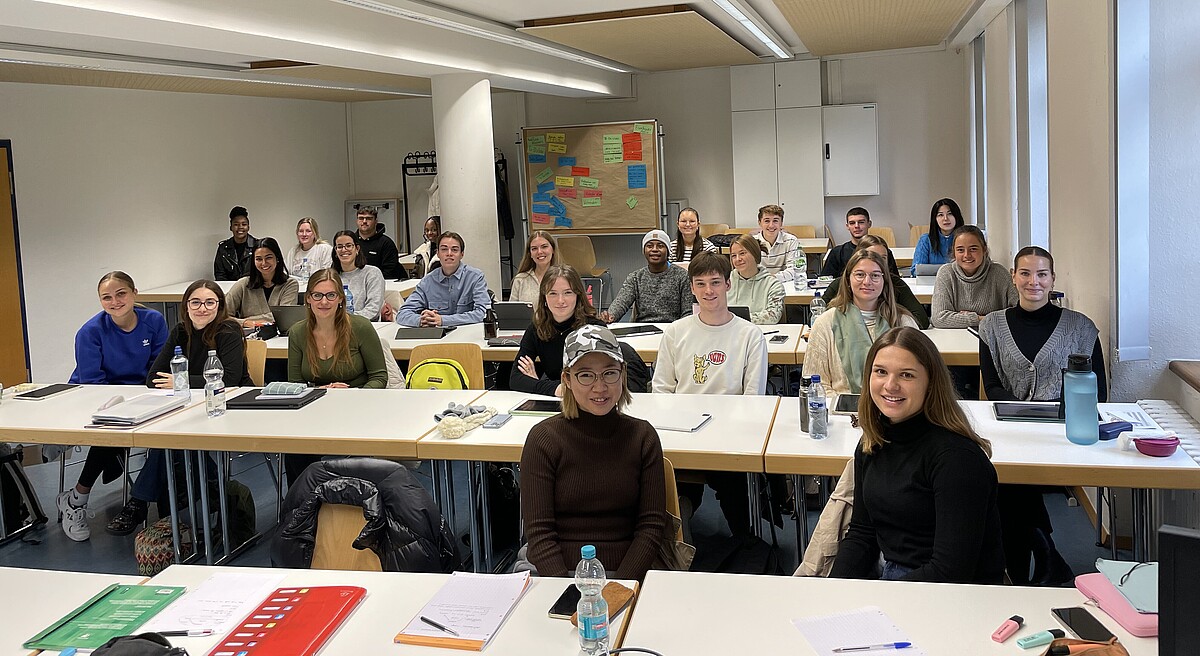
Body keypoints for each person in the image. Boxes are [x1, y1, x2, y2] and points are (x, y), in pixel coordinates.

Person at [830, 327, 1006, 583]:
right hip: (892, 571)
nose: (890, 385)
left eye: (907, 375)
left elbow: (951, 571)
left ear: (930, 383)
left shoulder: (956, 459)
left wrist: (880, 596)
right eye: (881, 372)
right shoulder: (873, 441)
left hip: (945, 590)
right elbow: (862, 532)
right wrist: (835, 588)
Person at [979, 246, 1106, 585]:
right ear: (1013, 277)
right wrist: (1024, 418)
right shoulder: (992, 326)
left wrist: (1055, 417)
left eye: (1041, 274)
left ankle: (1021, 567)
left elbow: (1100, 393)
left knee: (1008, 487)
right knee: (1004, 475)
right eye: (1025, 273)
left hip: (1064, 432)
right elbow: (992, 387)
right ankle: (1044, 554)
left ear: (1052, 279)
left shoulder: (1081, 327)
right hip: (1012, 428)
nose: (1033, 281)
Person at [519, 325, 667, 580]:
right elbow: (540, 534)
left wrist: (619, 588)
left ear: (622, 375)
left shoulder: (643, 437)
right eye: (585, 375)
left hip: (628, 570)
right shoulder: (543, 439)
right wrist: (565, 593)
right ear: (567, 379)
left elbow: (651, 528)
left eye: (609, 373)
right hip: (553, 569)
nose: (600, 387)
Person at [105, 280, 252, 535]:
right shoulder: (180, 331)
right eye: (195, 302)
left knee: (169, 441)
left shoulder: (227, 331)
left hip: (228, 405)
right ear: (186, 306)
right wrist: (183, 383)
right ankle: (204, 490)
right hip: (188, 406)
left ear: (219, 305)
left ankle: (138, 503)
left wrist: (182, 381)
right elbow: (153, 377)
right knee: (170, 438)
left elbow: (229, 379)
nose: (202, 308)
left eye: (209, 302)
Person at [652, 252, 768, 538]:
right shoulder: (675, 332)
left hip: (731, 435)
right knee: (668, 480)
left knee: (732, 484)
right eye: (700, 284)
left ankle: (745, 542)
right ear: (691, 287)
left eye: (715, 283)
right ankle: (680, 528)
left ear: (728, 284)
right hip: (683, 432)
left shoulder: (750, 335)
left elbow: (754, 398)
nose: (708, 291)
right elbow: (662, 389)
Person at [58, 271, 168, 542]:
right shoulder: (90, 332)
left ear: (134, 293)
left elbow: (159, 368)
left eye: (121, 294)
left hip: (141, 396)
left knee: (168, 433)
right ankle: (77, 500)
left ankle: (161, 505)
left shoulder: (153, 321)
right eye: (107, 297)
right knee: (111, 434)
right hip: (96, 397)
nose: (115, 301)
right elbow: (92, 383)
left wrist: (143, 399)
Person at [285, 269, 389, 484]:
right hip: (315, 408)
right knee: (294, 446)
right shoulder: (297, 332)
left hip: (359, 407)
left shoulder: (360, 327)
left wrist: (353, 394)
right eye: (317, 295)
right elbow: (294, 384)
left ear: (341, 299)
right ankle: (302, 507)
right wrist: (320, 392)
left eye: (331, 295)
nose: (324, 301)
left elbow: (379, 377)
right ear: (308, 299)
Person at [510, 264, 651, 397]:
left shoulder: (594, 328)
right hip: (559, 403)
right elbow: (516, 379)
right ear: (544, 298)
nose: (560, 300)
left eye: (567, 293)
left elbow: (595, 383)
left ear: (577, 296)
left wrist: (537, 383)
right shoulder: (537, 328)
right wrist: (556, 388)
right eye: (553, 293)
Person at [805, 250, 919, 394]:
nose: (867, 281)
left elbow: (917, 379)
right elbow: (816, 385)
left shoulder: (903, 322)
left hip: (893, 405)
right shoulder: (825, 323)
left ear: (884, 281)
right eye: (860, 274)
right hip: (841, 411)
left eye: (875, 276)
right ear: (847, 279)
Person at [822, 235, 929, 329]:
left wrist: (893, 319)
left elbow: (921, 320)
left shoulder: (895, 282)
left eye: (883, 258)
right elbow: (816, 315)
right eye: (860, 275)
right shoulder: (842, 282)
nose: (877, 262)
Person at [390, 231, 490, 327]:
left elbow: (484, 312)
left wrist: (443, 320)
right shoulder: (427, 281)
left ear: (462, 254)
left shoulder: (475, 277)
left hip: (467, 335)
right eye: (444, 249)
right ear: (437, 253)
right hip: (437, 336)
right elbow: (402, 314)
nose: (449, 253)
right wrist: (422, 320)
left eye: (454, 250)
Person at [931, 225, 1017, 328]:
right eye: (960, 250)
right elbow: (939, 319)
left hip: (993, 338)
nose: (967, 255)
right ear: (954, 252)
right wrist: (979, 318)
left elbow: (1019, 313)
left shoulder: (999, 273)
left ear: (984, 250)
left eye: (973, 249)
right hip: (955, 338)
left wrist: (963, 318)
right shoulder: (946, 273)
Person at [600, 229, 692, 323]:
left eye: (660, 246)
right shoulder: (635, 277)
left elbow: (688, 312)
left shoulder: (682, 276)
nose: (655, 249)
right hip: (642, 329)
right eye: (649, 246)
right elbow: (621, 302)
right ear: (644, 251)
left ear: (668, 251)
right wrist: (611, 315)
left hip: (673, 329)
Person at [225, 237, 299, 328]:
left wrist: (248, 320)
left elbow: (284, 317)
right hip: (249, 337)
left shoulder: (290, 284)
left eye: (268, 258)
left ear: (277, 258)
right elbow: (222, 315)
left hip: (279, 338)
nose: (264, 263)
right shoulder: (243, 284)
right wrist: (244, 323)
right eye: (259, 259)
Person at [821, 207, 900, 279]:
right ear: (847, 226)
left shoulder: (882, 252)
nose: (856, 226)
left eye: (861, 222)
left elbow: (895, 280)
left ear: (869, 224)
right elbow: (825, 280)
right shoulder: (837, 253)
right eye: (852, 223)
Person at [728, 233, 784, 324]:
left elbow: (773, 316)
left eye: (742, 253)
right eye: (734, 255)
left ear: (755, 254)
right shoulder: (724, 282)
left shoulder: (773, 285)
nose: (738, 259)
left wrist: (731, 319)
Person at [332, 229, 385, 321]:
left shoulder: (372, 273)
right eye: (339, 247)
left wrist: (343, 319)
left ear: (357, 249)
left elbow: (373, 310)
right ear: (335, 251)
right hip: (333, 326)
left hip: (363, 326)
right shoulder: (330, 276)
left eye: (348, 246)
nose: (344, 250)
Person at [910, 198, 965, 276]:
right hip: (932, 284)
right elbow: (915, 270)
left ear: (957, 216)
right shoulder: (926, 240)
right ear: (935, 219)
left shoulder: (965, 239)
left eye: (950, 214)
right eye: (940, 215)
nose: (945, 218)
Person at [354, 206, 406, 280]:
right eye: (361, 218)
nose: (364, 221)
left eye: (369, 218)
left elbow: (390, 271)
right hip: (355, 283)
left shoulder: (386, 243)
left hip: (383, 283)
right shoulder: (350, 242)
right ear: (357, 221)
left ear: (376, 221)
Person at [508, 230, 560, 303]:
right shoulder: (520, 279)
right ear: (530, 254)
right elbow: (512, 311)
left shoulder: (564, 277)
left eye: (544, 247)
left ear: (553, 249)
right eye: (534, 248)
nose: (539, 252)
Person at [753, 204, 802, 279]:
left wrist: (772, 279)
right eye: (767, 221)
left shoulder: (791, 241)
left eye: (775, 221)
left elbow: (794, 270)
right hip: (759, 284)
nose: (771, 225)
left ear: (781, 223)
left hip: (784, 283)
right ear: (759, 223)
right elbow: (750, 270)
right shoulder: (752, 242)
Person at [214, 206, 257, 281]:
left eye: (244, 224)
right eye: (236, 224)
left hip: (252, 288)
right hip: (229, 289)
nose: (240, 227)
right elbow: (220, 275)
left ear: (248, 227)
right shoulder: (223, 248)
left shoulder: (258, 246)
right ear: (231, 227)